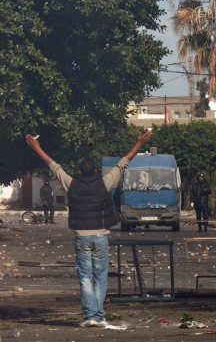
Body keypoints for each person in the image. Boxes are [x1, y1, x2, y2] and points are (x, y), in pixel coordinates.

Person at [25, 131, 152, 328]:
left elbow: (54, 166)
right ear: (95, 171)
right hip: (101, 234)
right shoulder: (105, 182)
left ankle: (90, 316)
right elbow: (123, 162)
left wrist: (37, 148)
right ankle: (99, 316)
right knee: (100, 276)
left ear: (80, 172)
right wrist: (139, 143)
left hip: (81, 236)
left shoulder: (71, 184)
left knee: (85, 276)